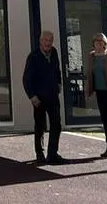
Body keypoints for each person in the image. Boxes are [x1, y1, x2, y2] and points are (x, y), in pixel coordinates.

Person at [22, 30, 64, 164]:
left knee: (56, 125)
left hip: (53, 95)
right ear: (41, 41)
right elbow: (26, 79)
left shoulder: (54, 52)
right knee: (40, 126)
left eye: (50, 40)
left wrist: (59, 83)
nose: (48, 43)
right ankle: (39, 153)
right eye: (46, 40)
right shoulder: (33, 57)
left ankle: (52, 154)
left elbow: (57, 70)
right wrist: (32, 96)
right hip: (39, 97)